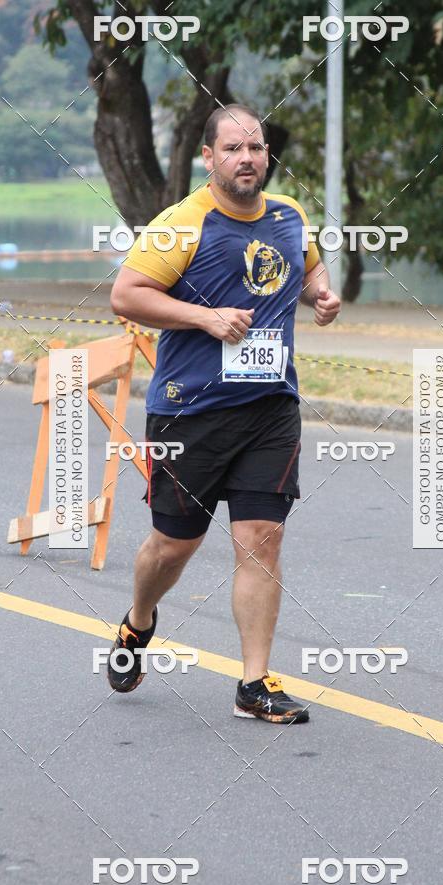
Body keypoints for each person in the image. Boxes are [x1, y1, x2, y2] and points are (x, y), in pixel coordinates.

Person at [108, 103, 340, 723]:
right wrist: (205, 317)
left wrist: (321, 295)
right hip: (191, 413)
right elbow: (126, 295)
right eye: (233, 149)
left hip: (270, 408)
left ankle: (254, 685)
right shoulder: (182, 225)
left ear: (267, 157)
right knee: (174, 546)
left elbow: (309, 264)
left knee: (262, 539)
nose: (247, 159)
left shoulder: (289, 216)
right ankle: (138, 621)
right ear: (208, 158)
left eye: (256, 148)